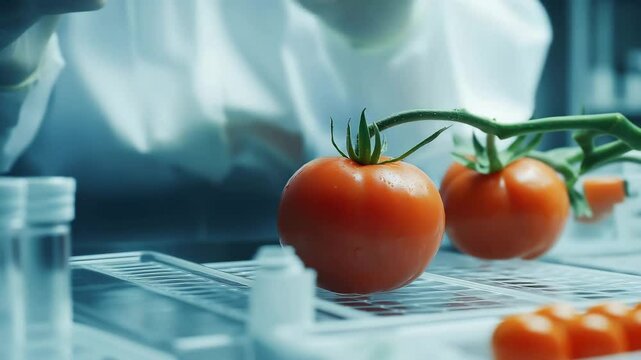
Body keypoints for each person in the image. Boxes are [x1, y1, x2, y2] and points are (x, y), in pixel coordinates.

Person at [0, 0, 552, 254]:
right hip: (47, 252)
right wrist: (11, 63)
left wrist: (393, 27)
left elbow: (461, 162)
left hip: (348, 253)